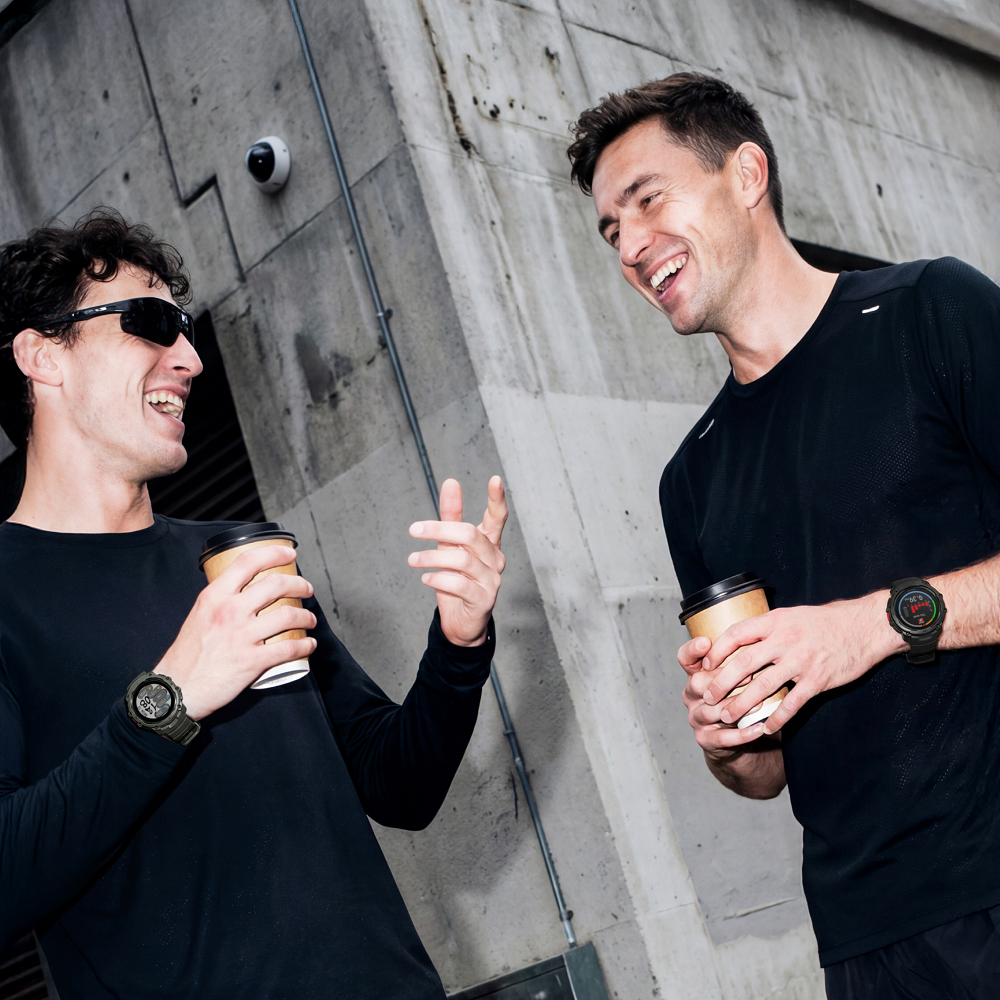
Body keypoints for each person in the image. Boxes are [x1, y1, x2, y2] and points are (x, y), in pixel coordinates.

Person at [0, 209, 508, 999]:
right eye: (151, 323)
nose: (191, 359)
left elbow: (397, 785)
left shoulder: (238, 558)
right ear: (42, 355)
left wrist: (459, 644)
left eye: (186, 329)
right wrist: (171, 698)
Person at [567, 73, 1000, 998]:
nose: (631, 246)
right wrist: (727, 740)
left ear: (747, 175)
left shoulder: (931, 312)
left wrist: (873, 625)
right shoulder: (692, 480)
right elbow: (766, 772)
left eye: (647, 200)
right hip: (865, 939)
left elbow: (854, 636)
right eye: (610, 231)